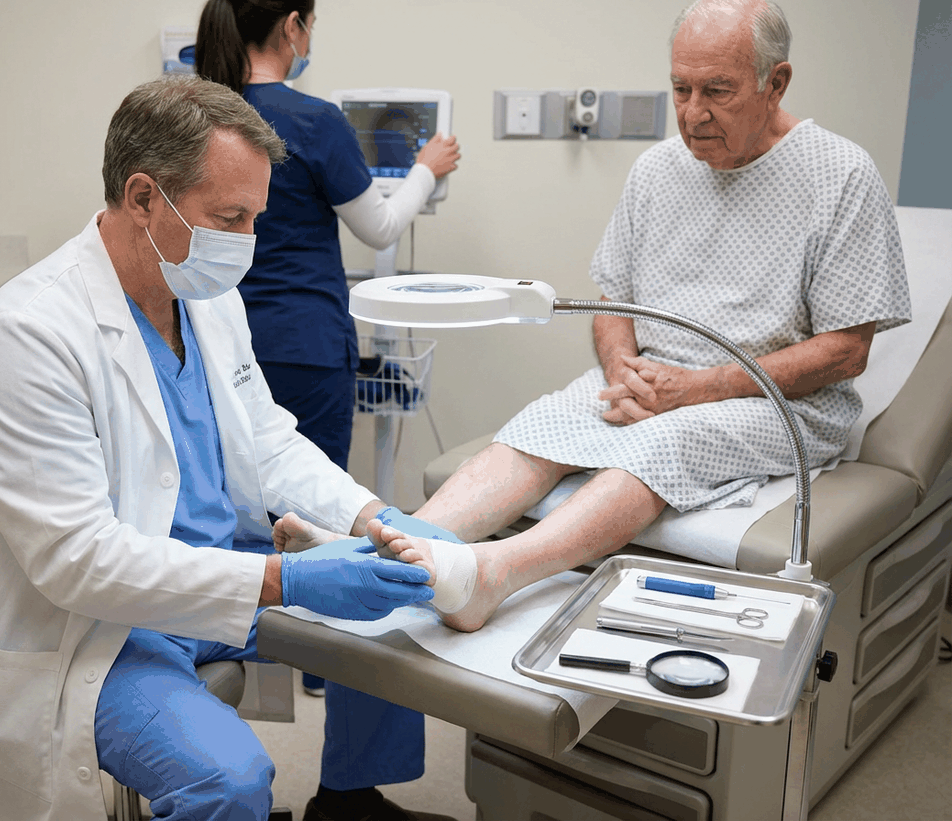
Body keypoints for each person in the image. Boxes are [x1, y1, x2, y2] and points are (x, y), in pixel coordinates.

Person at [273, 0, 912, 634]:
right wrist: (623, 372)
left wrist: (694, 391)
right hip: (647, 385)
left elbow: (844, 351)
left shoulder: (840, 174)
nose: (693, 114)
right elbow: (610, 301)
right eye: (680, 89)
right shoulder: (658, 169)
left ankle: (490, 574)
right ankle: (368, 555)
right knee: (540, 424)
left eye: (717, 90)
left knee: (667, 441)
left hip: (775, 401)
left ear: (777, 84)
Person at [0, 75, 458, 821]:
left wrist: (374, 513)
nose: (247, 242)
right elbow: (77, 560)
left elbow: (267, 439)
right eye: (229, 217)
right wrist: (286, 580)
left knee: (388, 615)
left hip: (216, 572)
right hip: (99, 628)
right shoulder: (28, 335)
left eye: (255, 217)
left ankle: (351, 800)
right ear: (144, 196)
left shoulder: (205, 296)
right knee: (230, 779)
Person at [194, 0, 461, 695]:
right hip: (306, 342)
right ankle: (323, 657)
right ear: (292, 26)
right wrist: (428, 167)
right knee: (318, 522)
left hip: (225, 340)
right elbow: (379, 227)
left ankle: (262, 642)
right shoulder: (314, 122)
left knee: (247, 508)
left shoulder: (203, 116)